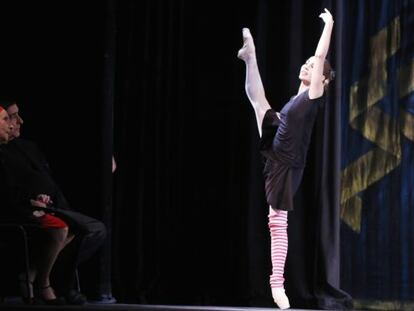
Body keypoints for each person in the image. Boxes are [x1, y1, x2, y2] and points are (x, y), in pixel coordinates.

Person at [237, 8, 335, 310]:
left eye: (312, 66)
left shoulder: (314, 96)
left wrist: (328, 26)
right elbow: (311, 69)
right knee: (257, 101)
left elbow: (320, 60)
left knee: (277, 222)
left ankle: (277, 283)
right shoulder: (298, 97)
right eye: (305, 64)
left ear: (324, 80)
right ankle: (250, 56)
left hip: (287, 161)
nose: (307, 67)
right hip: (280, 137)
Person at [0, 99, 107, 305]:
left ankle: (33, 274)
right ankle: (48, 282)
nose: (17, 122)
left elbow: (55, 172)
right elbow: (9, 191)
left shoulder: (27, 146)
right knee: (81, 228)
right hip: (25, 210)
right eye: (9, 118)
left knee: (86, 228)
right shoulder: (4, 152)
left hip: (52, 206)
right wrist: (32, 200)